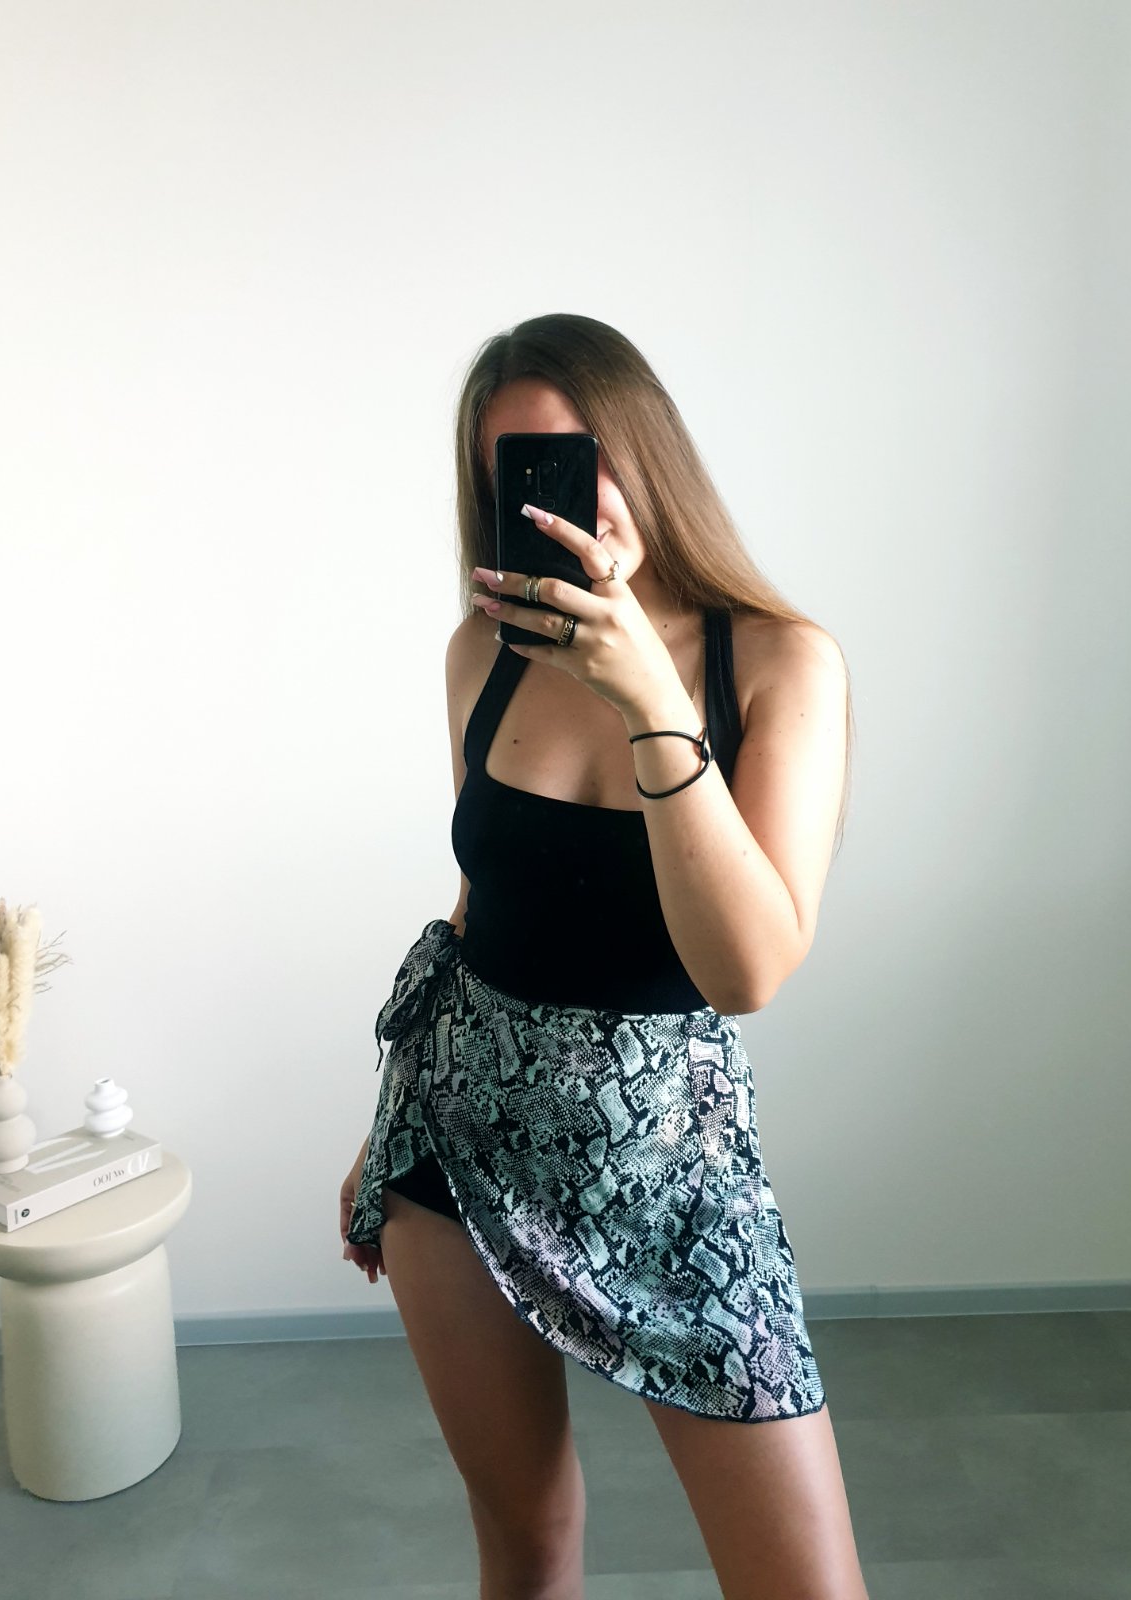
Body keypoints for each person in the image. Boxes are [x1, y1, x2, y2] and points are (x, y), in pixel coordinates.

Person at [339, 313, 868, 1600]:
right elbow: (482, 906)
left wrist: (651, 701)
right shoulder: (482, 657)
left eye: (575, 461)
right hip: (456, 1145)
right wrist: (385, 1128)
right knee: (527, 1547)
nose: (553, 501)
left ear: (644, 452)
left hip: (674, 1180)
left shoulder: (780, 664)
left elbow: (747, 970)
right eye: (513, 475)